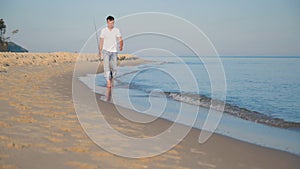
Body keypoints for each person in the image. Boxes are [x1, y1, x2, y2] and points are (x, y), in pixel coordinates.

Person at [99, 16, 123, 88]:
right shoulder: (103, 30)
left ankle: (112, 78)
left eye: (112, 23)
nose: (111, 25)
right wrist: (100, 51)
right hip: (105, 51)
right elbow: (101, 41)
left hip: (114, 51)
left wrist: (121, 46)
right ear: (107, 22)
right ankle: (108, 81)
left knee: (114, 68)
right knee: (106, 67)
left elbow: (120, 39)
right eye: (110, 23)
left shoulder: (116, 30)